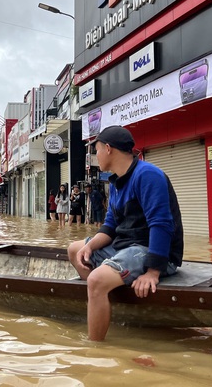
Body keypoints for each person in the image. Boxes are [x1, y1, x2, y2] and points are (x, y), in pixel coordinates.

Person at [67, 126, 183, 341]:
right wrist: (89, 246)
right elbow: (110, 227)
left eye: (97, 150)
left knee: (96, 280)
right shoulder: (117, 182)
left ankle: (95, 347)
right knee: (75, 250)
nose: (95, 156)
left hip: (153, 253)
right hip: (126, 246)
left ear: (108, 149)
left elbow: (161, 224)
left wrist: (152, 272)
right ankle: (104, 300)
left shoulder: (147, 175)